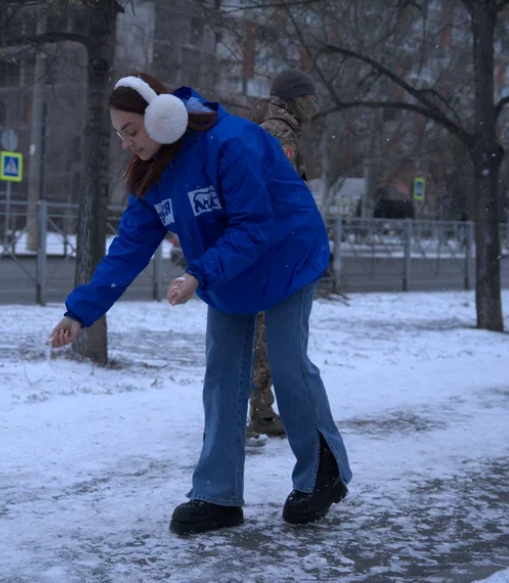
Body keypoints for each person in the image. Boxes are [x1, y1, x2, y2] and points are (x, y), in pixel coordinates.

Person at [48, 73, 351, 534]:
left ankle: (321, 476)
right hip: (227, 271)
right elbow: (128, 249)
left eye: (131, 131)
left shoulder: (231, 144)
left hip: (286, 252)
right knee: (223, 375)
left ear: (161, 118)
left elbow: (254, 224)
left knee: (289, 364)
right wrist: (79, 311)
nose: (126, 144)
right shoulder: (153, 175)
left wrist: (198, 273)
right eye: (119, 135)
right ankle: (217, 494)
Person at [245, 69, 318, 446]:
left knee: (261, 334)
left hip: (262, 246)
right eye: (308, 97)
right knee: (265, 336)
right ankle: (258, 412)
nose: (313, 105)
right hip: (270, 249)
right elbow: (282, 194)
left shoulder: (270, 126)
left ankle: (259, 410)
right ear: (293, 98)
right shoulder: (279, 132)